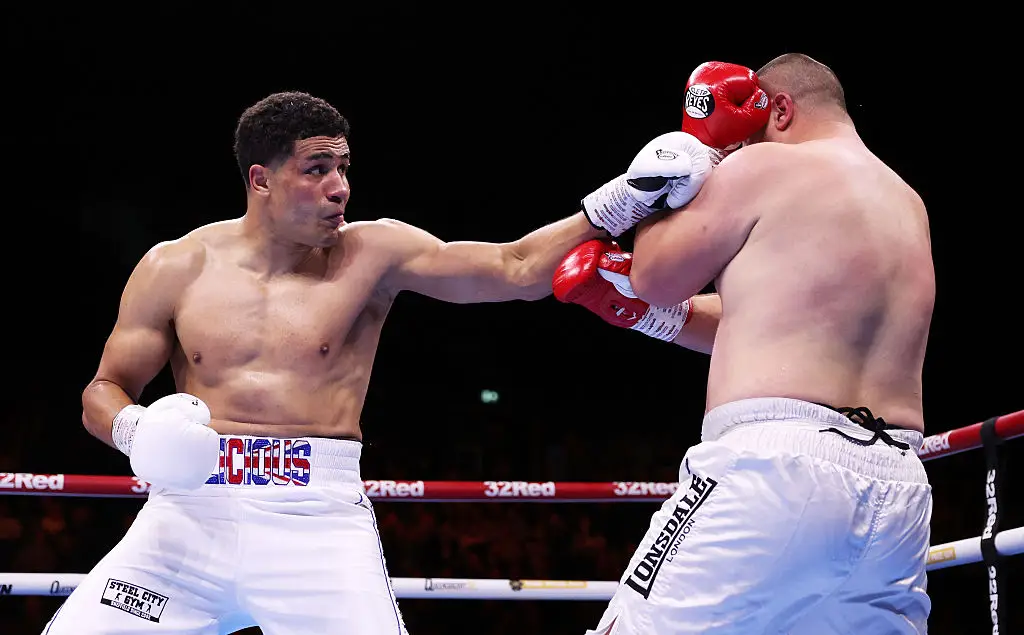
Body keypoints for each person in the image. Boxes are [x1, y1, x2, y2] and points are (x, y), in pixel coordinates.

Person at [42, 90, 723, 634]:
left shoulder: (374, 253)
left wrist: (623, 198)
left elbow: (513, 267)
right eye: (316, 170)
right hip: (186, 516)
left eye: (343, 168)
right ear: (261, 179)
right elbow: (103, 389)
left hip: (316, 521)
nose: (339, 187)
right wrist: (135, 431)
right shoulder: (175, 264)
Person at [556, 55, 935, 634]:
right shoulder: (909, 204)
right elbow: (772, 319)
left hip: (775, 468)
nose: (731, 154)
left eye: (744, 134)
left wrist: (689, 154)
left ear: (779, 109)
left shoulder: (766, 165)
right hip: (898, 491)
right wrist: (649, 318)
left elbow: (655, 275)